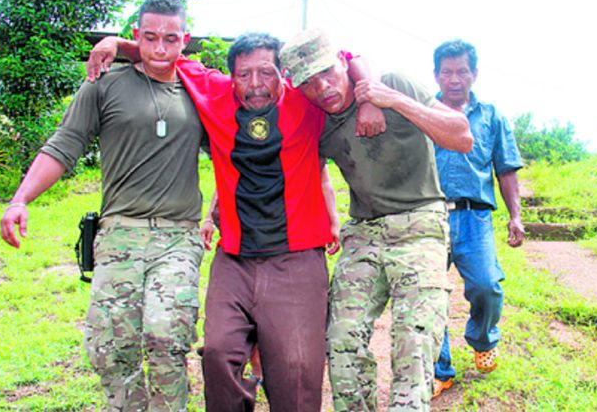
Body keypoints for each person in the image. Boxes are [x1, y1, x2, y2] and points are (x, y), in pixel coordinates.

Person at [86, 31, 382, 411]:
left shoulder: (306, 102)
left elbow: (346, 57)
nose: (255, 84)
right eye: (244, 75)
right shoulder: (214, 93)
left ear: (284, 74)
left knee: (297, 369)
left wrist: (370, 97)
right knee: (219, 354)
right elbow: (167, 56)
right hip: (235, 258)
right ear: (231, 76)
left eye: (267, 72)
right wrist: (117, 44)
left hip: (297, 258)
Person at [0, 0, 206, 411]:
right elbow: (64, 145)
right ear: (137, 35)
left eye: (171, 39)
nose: (160, 49)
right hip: (119, 234)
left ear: (185, 40)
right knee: (111, 346)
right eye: (149, 39)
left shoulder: (202, 89)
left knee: (167, 335)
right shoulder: (104, 85)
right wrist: (20, 199)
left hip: (178, 235)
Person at [279, 28, 473, 411]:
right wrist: (330, 220)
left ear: (343, 62)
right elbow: (310, 170)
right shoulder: (315, 117)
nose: (323, 88)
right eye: (309, 83)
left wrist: (392, 100)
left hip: (420, 225)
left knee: (414, 340)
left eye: (327, 73)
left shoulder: (393, 82)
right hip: (364, 233)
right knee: (341, 338)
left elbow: (462, 136)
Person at [431, 39, 524, 398]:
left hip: (475, 217)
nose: (454, 79)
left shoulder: (491, 116)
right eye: (447, 72)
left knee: (487, 286)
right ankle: (440, 369)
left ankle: (483, 340)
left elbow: (506, 169)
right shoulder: (423, 112)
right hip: (429, 216)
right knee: (429, 296)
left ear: (474, 74)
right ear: (436, 74)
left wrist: (515, 216)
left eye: (462, 71)